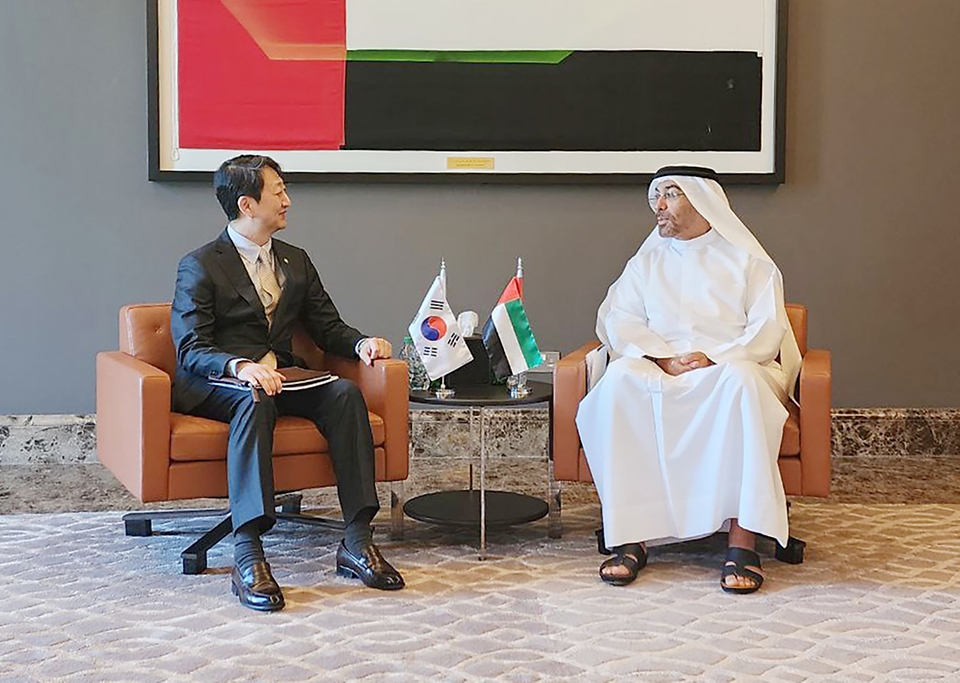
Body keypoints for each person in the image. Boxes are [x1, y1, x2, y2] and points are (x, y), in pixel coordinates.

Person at [171, 155, 404, 612]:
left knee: (344, 394)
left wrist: (361, 344)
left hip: (282, 377)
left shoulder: (295, 261)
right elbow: (191, 347)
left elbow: (326, 326)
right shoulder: (200, 265)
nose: (287, 200)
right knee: (254, 398)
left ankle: (357, 540)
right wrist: (240, 366)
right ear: (247, 204)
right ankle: (248, 553)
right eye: (278, 192)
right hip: (220, 381)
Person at [576, 166, 801, 594]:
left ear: (703, 199)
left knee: (741, 383)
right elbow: (619, 319)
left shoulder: (749, 262)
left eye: (671, 195)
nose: (658, 206)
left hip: (727, 366)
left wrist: (715, 357)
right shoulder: (645, 263)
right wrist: (661, 357)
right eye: (656, 196)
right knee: (620, 379)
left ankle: (742, 543)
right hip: (660, 365)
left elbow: (768, 329)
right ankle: (631, 538)